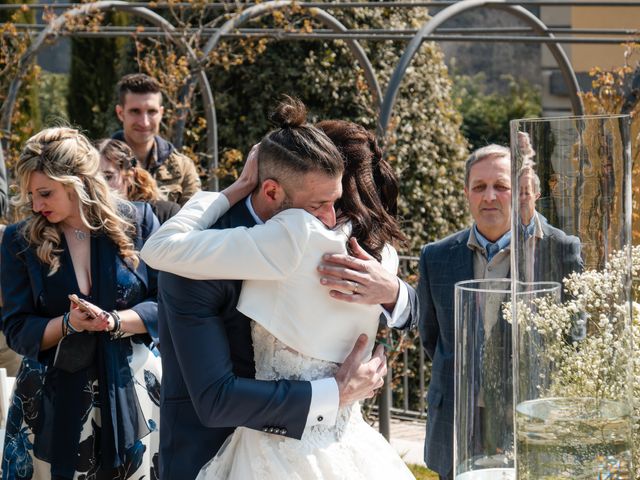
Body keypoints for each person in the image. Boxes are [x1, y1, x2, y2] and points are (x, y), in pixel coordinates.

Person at [141, 98, 417, 479]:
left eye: (334, 202)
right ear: (271, 192)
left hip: (326, 448)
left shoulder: (330, 233)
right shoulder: (194, 254)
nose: (331, 220)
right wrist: (334, 392)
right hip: (210, 452)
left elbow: (406, 301)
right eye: (320, 205)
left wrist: (393, 293)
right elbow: (215, 399)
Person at [1, 127, 161, 479]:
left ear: (78, 182)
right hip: (48, 396)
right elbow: (15, 329)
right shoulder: (19, 241)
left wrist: (115, 322)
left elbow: (165, 303)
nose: (35, 205)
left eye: (45, 193)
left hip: (130, 386)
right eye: (30, 194)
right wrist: (69, 324)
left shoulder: (139, 221)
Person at [417, 144, 582, 480]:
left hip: (527, 421)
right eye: (479, 187)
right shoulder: (436, 257)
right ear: (467, 193)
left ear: (526, 192)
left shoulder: (559, 250)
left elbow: (573, 341)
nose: (489, 196)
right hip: (458, 422)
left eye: (501, 186)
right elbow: (433, 339)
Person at [113, 73, 201, 205]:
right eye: (135, 111)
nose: (144, 122)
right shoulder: (98, 164)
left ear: (161, 113)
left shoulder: (183, 168)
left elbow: (195, 219)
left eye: (152, 111)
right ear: (120, 113)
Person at [97, 138, 180, 224]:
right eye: (92, 178)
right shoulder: (86, 219)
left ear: (129, 176)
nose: (99, 185)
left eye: (107, 177)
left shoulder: (164, 214)